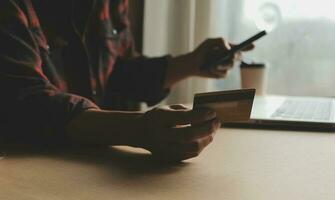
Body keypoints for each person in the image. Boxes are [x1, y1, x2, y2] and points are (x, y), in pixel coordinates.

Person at [0, 0, 253, 162]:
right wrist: (138, 130)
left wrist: (192, 63)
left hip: (91, 169)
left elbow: (119, 72)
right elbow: (25, 103)